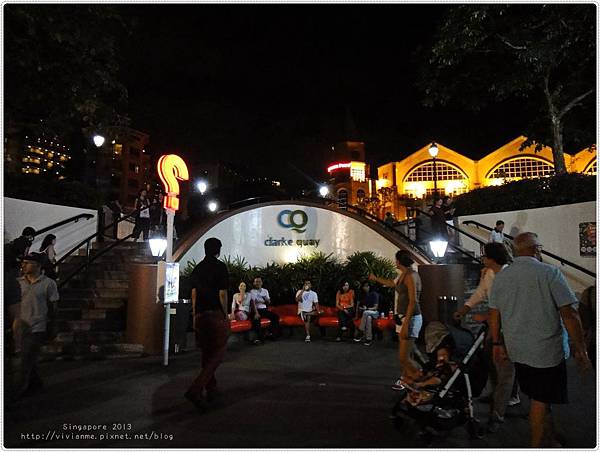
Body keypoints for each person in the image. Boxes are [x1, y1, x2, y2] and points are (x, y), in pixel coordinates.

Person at [489, 232, 591, 447]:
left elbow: (494, 314)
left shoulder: (502, 277)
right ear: (535, 249)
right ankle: (537, 445)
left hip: (518, 350)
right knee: (540, 400)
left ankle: (550, 438)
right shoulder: (549, 273)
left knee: (538, 396)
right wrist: (581, 349)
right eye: (540, 247)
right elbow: (570, 314)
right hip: (545, 351)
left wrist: (497, 343)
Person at [454, 242, 515, 432]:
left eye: (484, 256)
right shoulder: (489, 274)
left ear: (492, 258)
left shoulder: (510, 276)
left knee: (505, 369)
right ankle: (499, 394)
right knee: (489, 359)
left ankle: (497, 414)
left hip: (509, 328)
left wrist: (487, 316)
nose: (482, 259)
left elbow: (510, 306)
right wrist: (465, 308)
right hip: (494, 326)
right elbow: (481, 292)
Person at [185, 238, 229, 411]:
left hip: (201, 315)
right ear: (218, 250)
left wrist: (195, 315)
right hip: (215, 313)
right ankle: (196, 389)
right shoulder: (220, 267)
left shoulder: (198, 269)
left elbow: (194, 294)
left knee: (207, 353)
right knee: (219, 352)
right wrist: (225, 315)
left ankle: (212, 390)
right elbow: (223, 294)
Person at [370, 249, 423, 385]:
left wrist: (406, 324)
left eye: (396, 259)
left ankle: (420, 378)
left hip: (410, 317)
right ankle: (407, 379)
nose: (395, 262)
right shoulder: (403, 274)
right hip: (403, 317)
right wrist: (376, 279)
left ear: (399, 261)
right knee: (407, 353)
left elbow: (413, 301)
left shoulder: (411, 276)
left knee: (403, 357)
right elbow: (392, 284)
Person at [14, 253, 59, 398]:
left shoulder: (48, 283)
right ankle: (35, 383)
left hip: (37, 326)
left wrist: (52, 324)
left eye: (28, 262)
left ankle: (18, 390)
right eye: (23, 262)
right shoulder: (17, 282)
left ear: (38, 266)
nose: (23, 265)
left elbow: (53, 306)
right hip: (20, 325)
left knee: (25, 357)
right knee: (28, 357)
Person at [250, 277, 280, 343]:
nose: (258, 283)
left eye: (259, 281)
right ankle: (259, 338)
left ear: (262, 283)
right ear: (254, 283)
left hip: (264, 309)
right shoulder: (252, 291)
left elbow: (268, 303)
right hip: (256, 309)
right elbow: (253, 303)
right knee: (256, 319)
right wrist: (256, 313)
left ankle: (272, 334)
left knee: (275, 317)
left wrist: (265, 300)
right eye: (256, 281)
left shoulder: (265, 291)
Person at [353, 281, 380, 346]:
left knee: (366, 312)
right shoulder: (362, 294)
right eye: (364, 286)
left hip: (374, 312)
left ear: (369, 287)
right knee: (368, 318)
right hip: (366, 314)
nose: (365, 288)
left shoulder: (374, 294)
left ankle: (361, 330)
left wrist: (367, 309)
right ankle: (368, 339)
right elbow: (358, 306)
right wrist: (357, 314)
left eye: (367, 286)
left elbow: (375, 307)